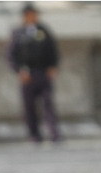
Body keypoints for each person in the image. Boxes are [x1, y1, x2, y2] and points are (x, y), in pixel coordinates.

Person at [7, 3, 61, 143]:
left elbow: (53, 50)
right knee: (29, 107)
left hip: (43, 72)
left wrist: (53, 66)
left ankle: (54, 133)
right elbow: (11, 54)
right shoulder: (18, 33)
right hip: (27, 75)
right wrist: (18, 71)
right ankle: (34, 135)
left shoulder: (43, 30)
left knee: (47, 103)